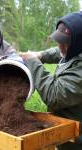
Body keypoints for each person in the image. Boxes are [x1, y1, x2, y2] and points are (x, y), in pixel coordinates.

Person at [20, 12, 82, 150]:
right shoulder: (72, 51)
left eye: (64, 43)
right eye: (59, 41)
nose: (60, 46)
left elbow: (54, 95)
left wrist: (32, 61)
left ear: (78, 43)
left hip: (77, 139)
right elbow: (59, 52)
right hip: (65, 131)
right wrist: (40, 54)